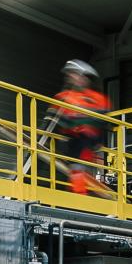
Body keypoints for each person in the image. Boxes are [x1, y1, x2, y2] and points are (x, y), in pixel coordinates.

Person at [49, 59, 114, 197]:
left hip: (92, 144)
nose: (72, 78)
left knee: (86, 170)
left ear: (85, 77)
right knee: (75, 167)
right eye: (71, 75)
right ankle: (78, 193)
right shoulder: (64, 97)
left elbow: (103, 118)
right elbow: (57, 119)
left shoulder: (98, 98)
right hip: (71, 143)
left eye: (75, 74)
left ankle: (81, 194)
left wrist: (78, 119)